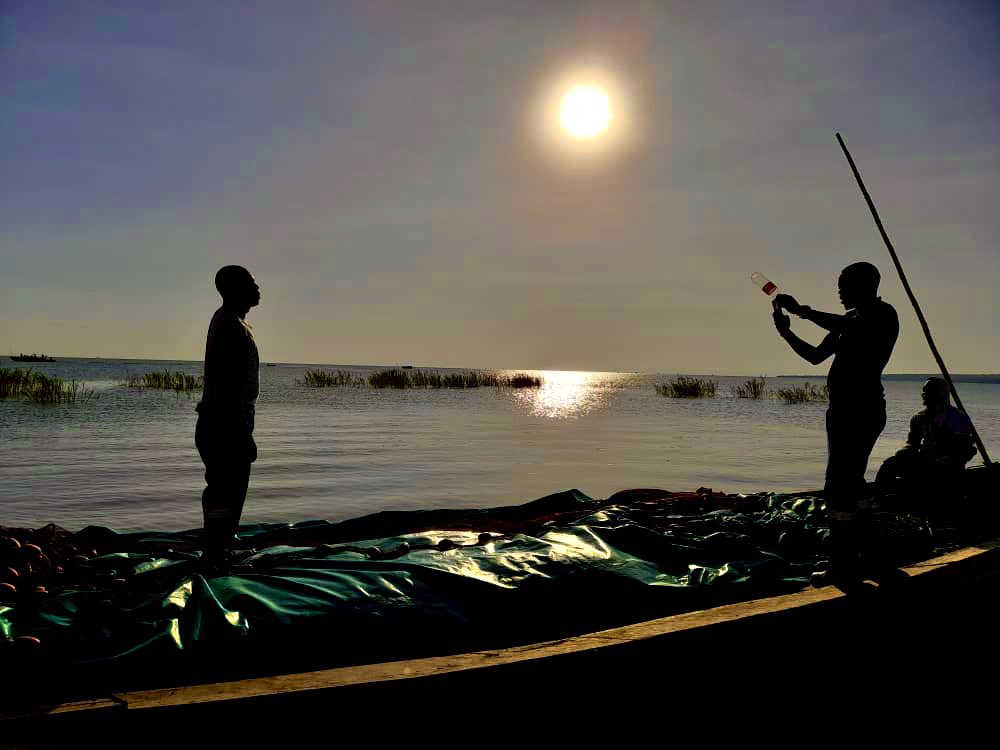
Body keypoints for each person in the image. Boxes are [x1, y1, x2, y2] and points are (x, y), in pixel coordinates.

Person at [771, 262, 899, 587]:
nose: (839, 292)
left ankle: (842, 567)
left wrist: (803, 311)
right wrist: (787, 332)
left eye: (844, 285)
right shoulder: (850, 322)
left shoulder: (881, 315)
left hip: (863, 410)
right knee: (852, 485)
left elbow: (848, 326)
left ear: (865, 285)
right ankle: (873, 559)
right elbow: (814, 356)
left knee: (838, 487)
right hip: (841, 413)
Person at [195, 265, 261, 569]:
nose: (257, 286)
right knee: (224, 492)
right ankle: (215, 556)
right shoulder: (230, 326)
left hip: (225, 423)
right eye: (250, 282)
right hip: (224, 426)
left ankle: (220, 549)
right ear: (234, 289)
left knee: (230, 493)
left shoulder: (236, 322)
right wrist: (242, 434)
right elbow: (230, 386)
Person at [875, 377, 976, 512]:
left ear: (941, 394)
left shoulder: (958, 418)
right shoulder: (919, 418)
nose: (926, 396)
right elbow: (912, 443)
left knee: (934, 477)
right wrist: (905, 452)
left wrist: (950, 458)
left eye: (931, 392)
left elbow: (965, 448)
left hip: (950, 464)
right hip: (925, 459)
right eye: (925, 392)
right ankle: (880, 500)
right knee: (889, 466)